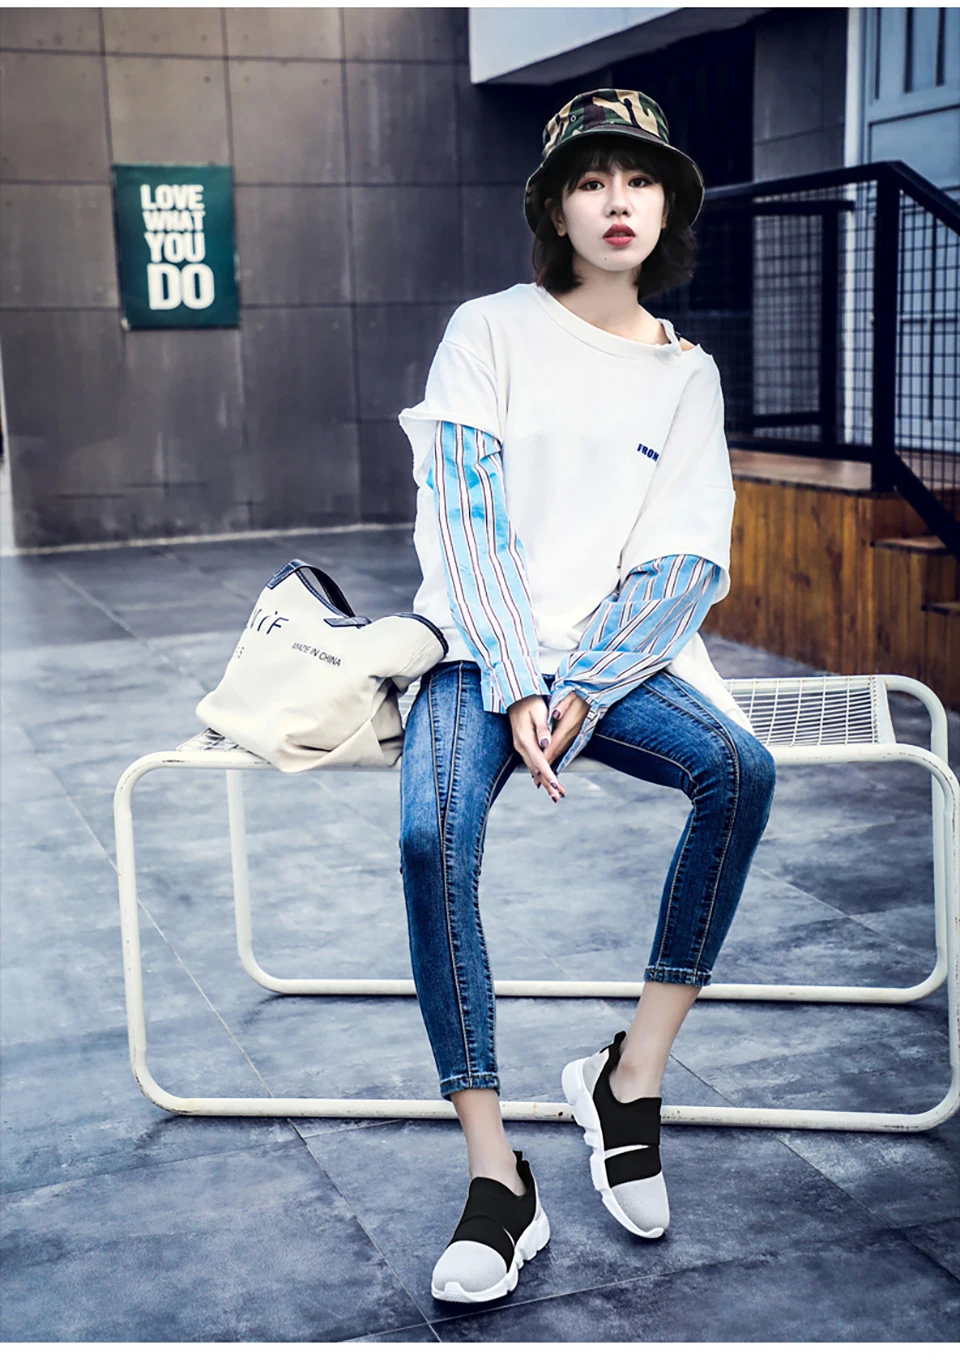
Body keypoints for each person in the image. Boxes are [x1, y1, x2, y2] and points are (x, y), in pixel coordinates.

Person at [396, 88, 777, 1305]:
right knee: (431, 835)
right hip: (476, 650)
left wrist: (592, 682)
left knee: (740, 772)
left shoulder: (687, 376)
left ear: (668, 208)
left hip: (615, 660)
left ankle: (630, 1080)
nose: (619, 202)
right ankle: (496, 1179)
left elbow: (685, 558)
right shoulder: (489, 331)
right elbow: (465, 516)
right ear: (555, 207)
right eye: (592, 180)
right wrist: (519, 677)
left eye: (641, 179)